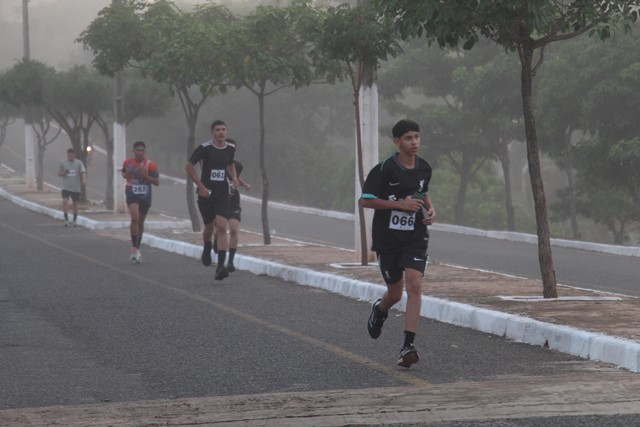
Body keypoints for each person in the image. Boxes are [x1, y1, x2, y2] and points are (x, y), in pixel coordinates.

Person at [360, 119, 436, 368]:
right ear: (397, 142)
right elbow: (366, 200)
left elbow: (422, 190)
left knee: (415, 285)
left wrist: (431, 209)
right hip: (388, 240)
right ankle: (380, 309)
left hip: (415, 237)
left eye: (417, 137)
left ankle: (407, 346)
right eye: (408, 138)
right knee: (394, 293)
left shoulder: (424, 168)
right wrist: (399, 205)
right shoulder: (384, 169)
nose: (414, 142)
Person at [185, 120, 238, 281]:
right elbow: (189, 166)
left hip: (222, 193)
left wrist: (234, 177)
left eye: (223, 129)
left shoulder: (230, 148)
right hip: (206, 193)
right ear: (212, 133)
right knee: (209, 228)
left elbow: (231, 163)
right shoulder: (205, 148)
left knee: (221, 226)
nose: (221, 132)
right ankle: (207, 247)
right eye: (217, 130)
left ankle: (220, 267)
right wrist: (200, 186)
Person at [212, 138, 251, 273]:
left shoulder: (238, 166)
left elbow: (236, 178)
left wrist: (244, 184)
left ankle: (230, 261)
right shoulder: (216, 164)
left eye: (233, 149)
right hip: (219, 200)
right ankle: (216, 240)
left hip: (233, 201)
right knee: (219, 230)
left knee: (234, 229)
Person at [122, 141, 160, 263]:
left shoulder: (150, 165)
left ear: (145, 151)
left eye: (142, 150)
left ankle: (137, 248)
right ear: (133, 151)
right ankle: (134, 248)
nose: (139, 152)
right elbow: (124, 174)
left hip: (145, 196)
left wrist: (144, 175)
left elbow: (156, 182)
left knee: (140, 222)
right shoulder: (128, 163)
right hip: (131, 193)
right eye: (137, 150)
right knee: (135, 218)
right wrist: (127, 174)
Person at [57, 148, 87, 227]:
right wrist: (63, 173)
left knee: (75, 203)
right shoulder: (63, 163)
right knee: (65, 201)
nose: (70, 157)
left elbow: (83, 172)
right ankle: (66, 220)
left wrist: (84, 179)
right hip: (66, 186)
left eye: (72, 156)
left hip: (75, 187)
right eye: (69, 156)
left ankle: (74, 220)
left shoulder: (79, 163)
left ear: (74, 155)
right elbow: (59, 173)